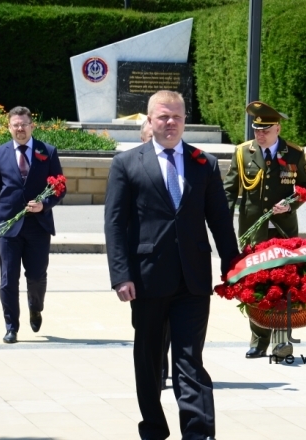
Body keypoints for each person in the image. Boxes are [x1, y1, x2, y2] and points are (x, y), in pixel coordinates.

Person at [105, 90, 239, 440]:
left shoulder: (203, 164)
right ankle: (152, 427)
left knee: (189, 360)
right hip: (147, 280)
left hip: (193, 281)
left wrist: (233, 266)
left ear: (184, 120)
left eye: (177, 117)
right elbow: (115, 224)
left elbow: (220, 221)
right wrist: (121, 275)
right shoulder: (127, 164)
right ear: (149, 121)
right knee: (149, 361)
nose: (170, 123)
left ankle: (198, 433)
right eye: (163, 117)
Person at [223, 101, 306, 360]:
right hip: (254, 230)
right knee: (255, 282)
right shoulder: (243, 153)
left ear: (277, 128)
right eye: (256, 129)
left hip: (284, 232)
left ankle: (282, 340)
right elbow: (229, 191)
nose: (259, 134)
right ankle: (258, 338)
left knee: (284, 282)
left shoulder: (294, 153)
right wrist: (222, 223)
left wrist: (290, 205)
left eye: (265, 130)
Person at [0, 106, 66, 344]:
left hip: (38, 227)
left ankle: (36, 307)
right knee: (8, 278)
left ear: (32, 126)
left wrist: (44, 204)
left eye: (24, 124)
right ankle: (11, 326)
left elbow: (59, 188)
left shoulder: (48, 151)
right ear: (9, 127)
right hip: (8, 227)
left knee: (36, 277)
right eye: (16, 125)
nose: (20, 129)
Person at [141, 118, 172, 391]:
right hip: (146, 267)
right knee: (151, 327)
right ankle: (157, 366)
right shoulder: (130, 167)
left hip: (180, 266)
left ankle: (164, 367)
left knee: (172, 326)